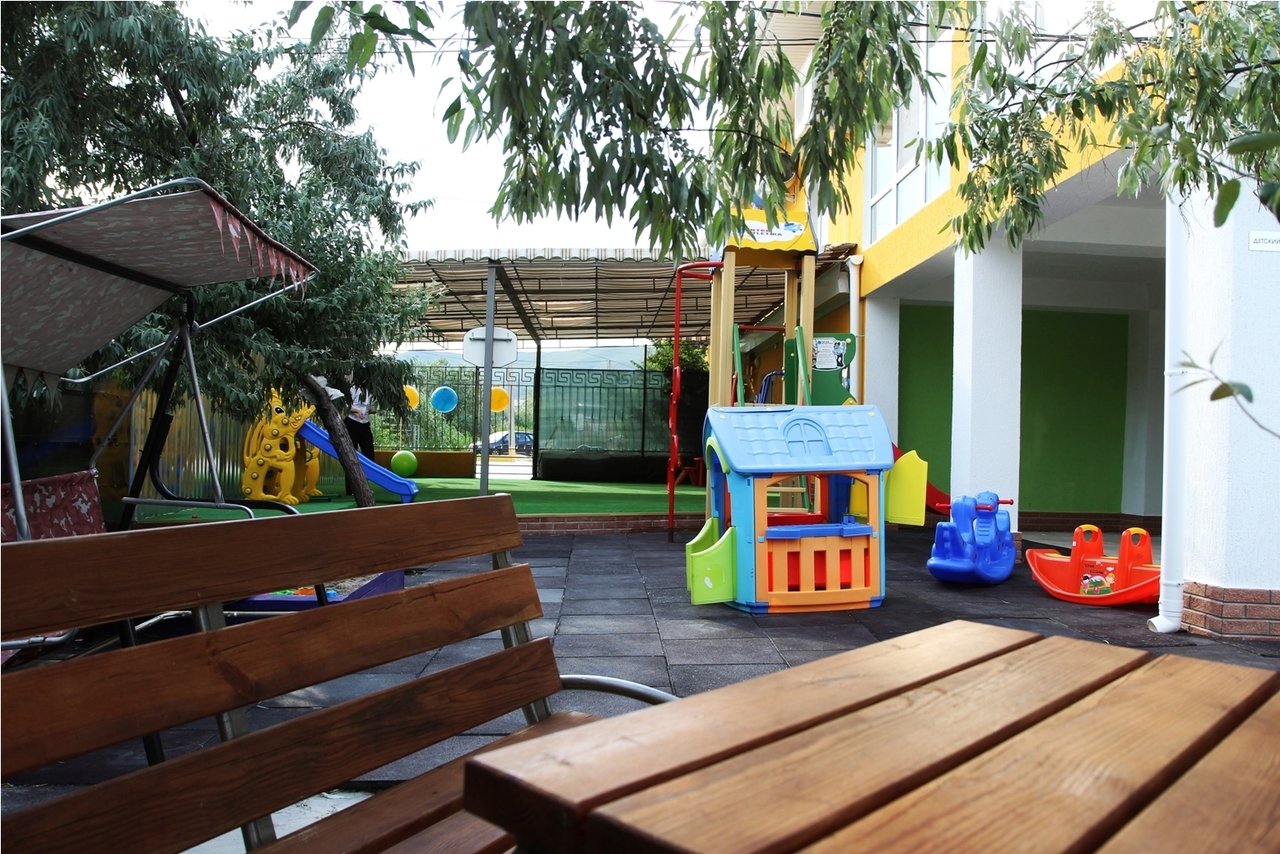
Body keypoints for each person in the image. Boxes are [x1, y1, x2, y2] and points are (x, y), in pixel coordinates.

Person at [342, 371, 375, 494]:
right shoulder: (353, 389)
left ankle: (365, 487)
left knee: (369, 454)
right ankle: (351, 489)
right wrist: (356, 411)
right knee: (351, 456)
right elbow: (345, 405)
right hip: (352, 423)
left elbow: (369, 408)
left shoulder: (371, 391)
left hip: (364, 424)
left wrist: (372, 410)